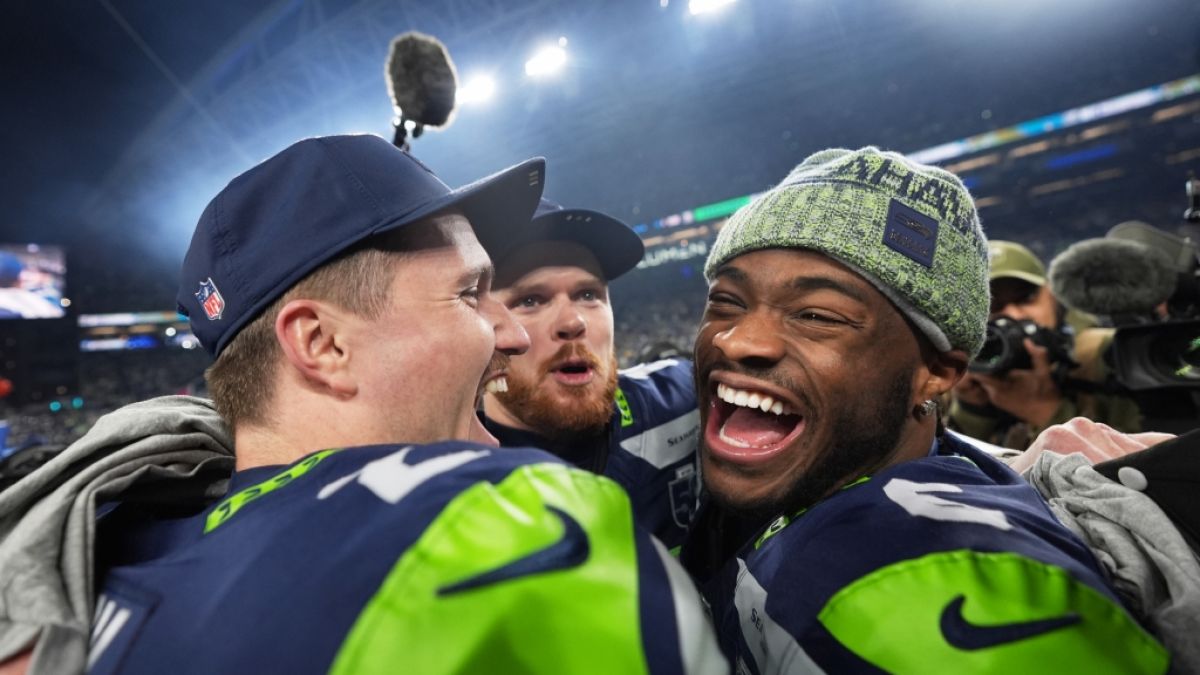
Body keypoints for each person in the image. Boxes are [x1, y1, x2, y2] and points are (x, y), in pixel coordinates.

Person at [0, 136, 725, 675]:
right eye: (473, 292)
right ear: (321, 343)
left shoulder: (105, 543)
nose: (509, 332)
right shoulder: (504, 525)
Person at [679, 147, 1168, 673]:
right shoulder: (854, 458)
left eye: (818, 315)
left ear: (935, 372)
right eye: (726, 300)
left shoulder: (935, 570)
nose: (737, 340)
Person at [482, 199, 700, 550]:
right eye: (531, 300)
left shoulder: (687, 400)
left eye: (588, 294)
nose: (573, 322)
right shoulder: (441, 477)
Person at [949, 241, 1141, 448]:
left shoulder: (1107, 356)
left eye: (1026, 298)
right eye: (991, 306)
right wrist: (972, 411)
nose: (1014, 314)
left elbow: (1143, 467)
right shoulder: (952, 375)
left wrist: (1044, 409)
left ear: (1051, 295)